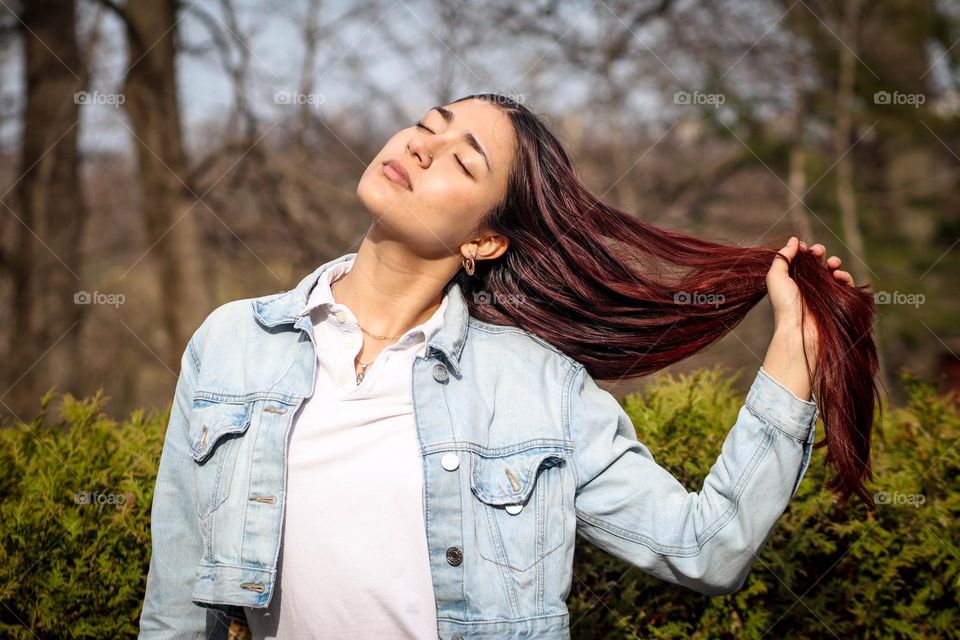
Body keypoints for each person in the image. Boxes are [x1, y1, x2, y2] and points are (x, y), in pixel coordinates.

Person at [138, 94, 877, 639]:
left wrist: (798, 348)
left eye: (462, 159)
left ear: (486, 241)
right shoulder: (233, 343)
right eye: (428, 126)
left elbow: (705, 550)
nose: (421, 147)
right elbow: (176, 608)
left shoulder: (538, 388)